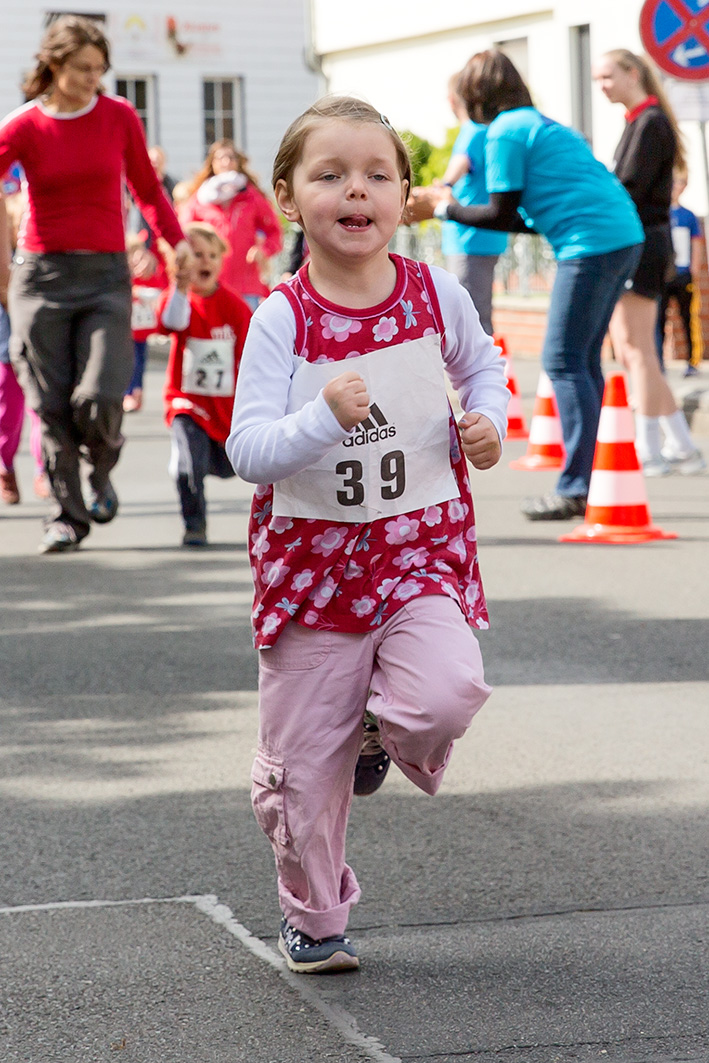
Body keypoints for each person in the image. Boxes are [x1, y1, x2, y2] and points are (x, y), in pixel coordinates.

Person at [227, 96, 509, 973]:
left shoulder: (435, 293)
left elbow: (481, 364)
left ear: (404, 197)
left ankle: (382, 734)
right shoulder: (283, 318)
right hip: (312, 578)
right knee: (304, 780)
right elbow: (247, 449)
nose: (357, 189)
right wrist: (319, 417)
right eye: (331, 173)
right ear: (287, 195)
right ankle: (314, 918)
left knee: (448, 693)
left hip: (418, 553)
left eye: (377, 175)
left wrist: (488, 419)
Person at [408, 49, 644, 520]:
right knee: (581, 360)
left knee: (562, 359)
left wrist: (438, 208)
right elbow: (519, 216)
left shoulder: (504, 132)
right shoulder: (535, 123)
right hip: (621, 235)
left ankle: (577, 487)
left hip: (591, 244)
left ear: (475, 94)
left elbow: (497, 214)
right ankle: (590, 479)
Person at [0, 15, 191, 553]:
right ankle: (67, 516)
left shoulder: (118, 117)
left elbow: (148, 189)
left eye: (100, 69)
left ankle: (100, 467)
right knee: (50, 402)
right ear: (54, 65)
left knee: (101, 393)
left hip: (107, 275)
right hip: (40, 278)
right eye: (84, 69)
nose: (94, 79)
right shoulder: (23, 126)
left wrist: (174, 242)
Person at [593, 49, 705, 476]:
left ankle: (652, 449)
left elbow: (629, 189)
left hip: (642, 244)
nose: (601, 86)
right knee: (637, 351)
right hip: (642, 243)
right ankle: (678, 444)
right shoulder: (644, 121)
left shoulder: (650, 122)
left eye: (606, 76)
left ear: (632, 74)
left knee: (637, 350)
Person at [159, 222, 251, 546]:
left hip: (225, 408)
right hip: (187, 402)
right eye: (196, 255)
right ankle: (194, 524)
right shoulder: (181, 300)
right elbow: (171, 322)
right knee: (189, 464)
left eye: (212, 255)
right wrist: (180, 289)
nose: (205, 262)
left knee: (228, 467)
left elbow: (251, 354)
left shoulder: (234, 305)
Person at [440, 72, 507, 336]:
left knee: (470, 321)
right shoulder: (487, 132)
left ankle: (480, 377)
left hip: (468, 237)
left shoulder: (473, 132)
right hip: (484, 236)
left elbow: (455, 172)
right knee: (477, 315)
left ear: (452, 99)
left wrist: (440, 188)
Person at [179, 141, 283, 310]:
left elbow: (275, 233)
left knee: (247, 334)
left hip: (246, 285)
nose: (226, 162)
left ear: (238, 162)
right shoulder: (199, 200)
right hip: (209, 284)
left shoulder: (252, 197)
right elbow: (183, 233)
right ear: (212, 164)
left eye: (230, 157)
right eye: (220, 158)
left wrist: (264, 251)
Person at [0, 188, 49, 504]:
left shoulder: (43, 255)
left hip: (41, 332)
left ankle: (44, 469)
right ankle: (4, 465)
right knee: (8, 402)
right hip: (8, 326)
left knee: (43, 406)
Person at [657, 170, 703, 377]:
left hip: (683, 273)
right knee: (659, 319)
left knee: (688, 317)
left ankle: (692, 362)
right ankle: (658, 362)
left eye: (681, 182)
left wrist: (694, 269)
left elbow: (697, 243)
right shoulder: (659, 213)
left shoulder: (688, 215)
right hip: (662, 275)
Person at [123, 231, 168, 413]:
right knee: (128, 360)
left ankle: (137, 390)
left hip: (141, 329)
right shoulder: (124, 276)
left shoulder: (147, 274)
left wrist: (144, 293)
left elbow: (159, 289)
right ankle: (128, 392)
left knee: (140, 361)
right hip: (126, 328)